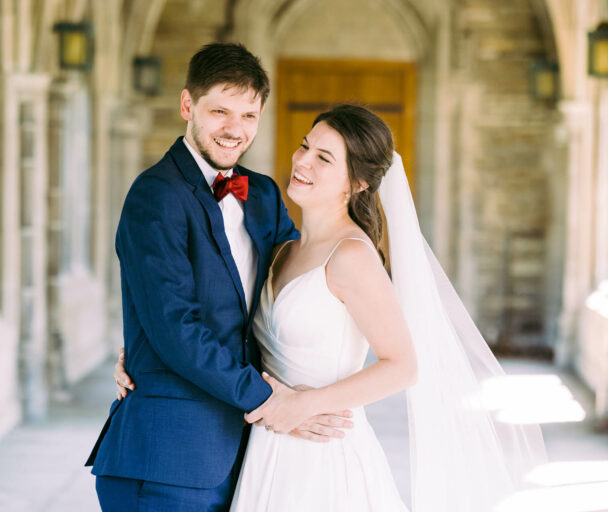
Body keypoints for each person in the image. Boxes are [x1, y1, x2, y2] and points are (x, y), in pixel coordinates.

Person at [116, 104, 547, 511]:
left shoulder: (353, 255)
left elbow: (402, 366)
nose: (302, 162)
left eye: (324, 158)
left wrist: (306, 406)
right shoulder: (283, 246)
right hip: (264, 448)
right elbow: (217, 316)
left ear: (357, 183)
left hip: (320, 453)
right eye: (305, 145)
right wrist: (141, 355)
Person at [84, 43, 353, 512]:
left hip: (248, 457)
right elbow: (176, 330)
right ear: (187, 105)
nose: (235, 129)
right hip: (166, 461)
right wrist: (276, 402)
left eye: (249, 115)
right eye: (220, 111)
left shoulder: (265, 195)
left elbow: (298, 290)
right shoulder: (155, 196)